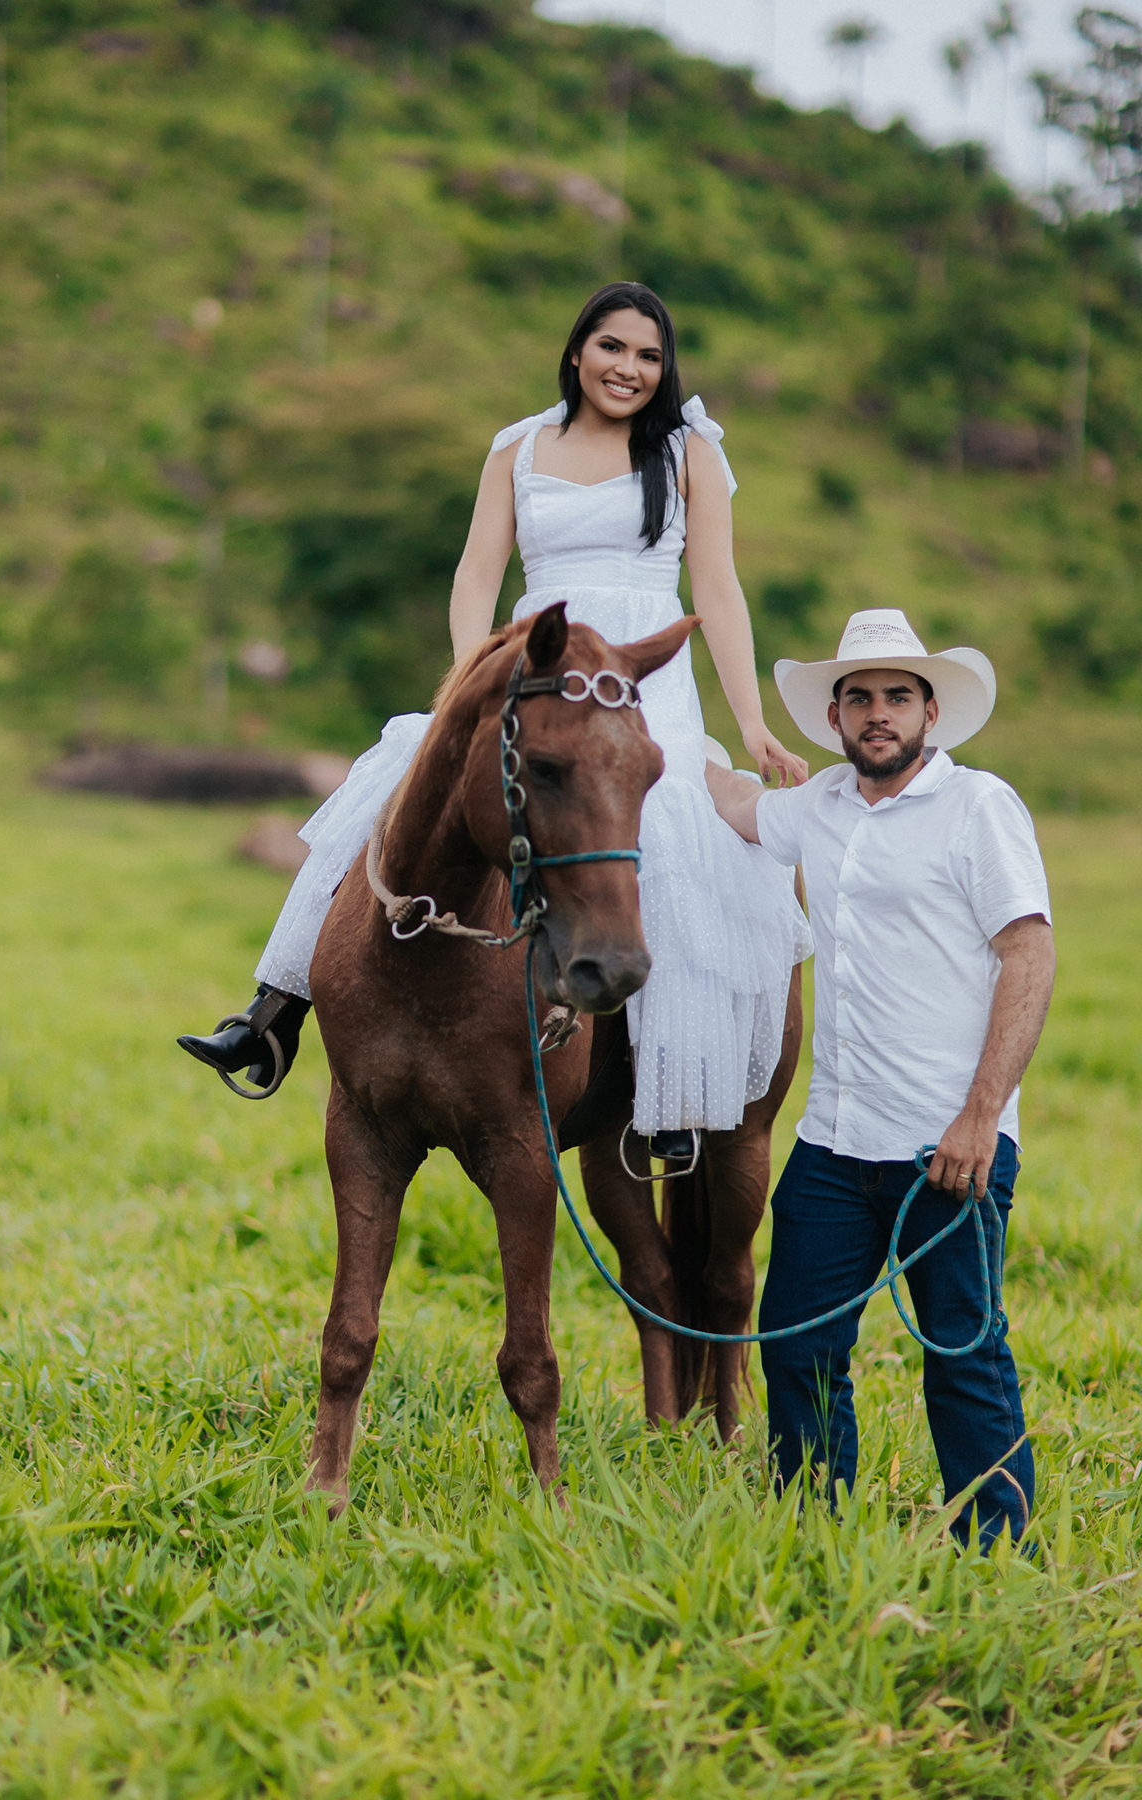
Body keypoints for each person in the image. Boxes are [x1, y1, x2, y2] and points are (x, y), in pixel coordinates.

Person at [179, 281, 813, 1164]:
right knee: (383, 790)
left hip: (638, 696)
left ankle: (668, 1100)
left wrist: (751, 725)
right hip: (529, 676)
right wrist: (471, 690)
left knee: (674, 848)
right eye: (612, 347)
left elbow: (718, 592)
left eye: (648, 355)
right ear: (577, 350)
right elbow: (477, 574)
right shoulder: (518, 448)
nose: (628, 368)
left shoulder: (688, 454)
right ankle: (273, 1013)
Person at [708, 607, 1055, 1549]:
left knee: (965, 1355)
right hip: (834, 1141)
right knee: (795, 1345)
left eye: (897, 695)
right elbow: (732, 804)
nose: (877, 712)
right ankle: (814, 1535)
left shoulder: (979, 806)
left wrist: (981, 1118)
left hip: (948, 1142)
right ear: (834, 717)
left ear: (930, 711)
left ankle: (995, 1557)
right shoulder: (814, 805)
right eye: (858, 696)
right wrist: (661, 729)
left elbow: (1028, 955)